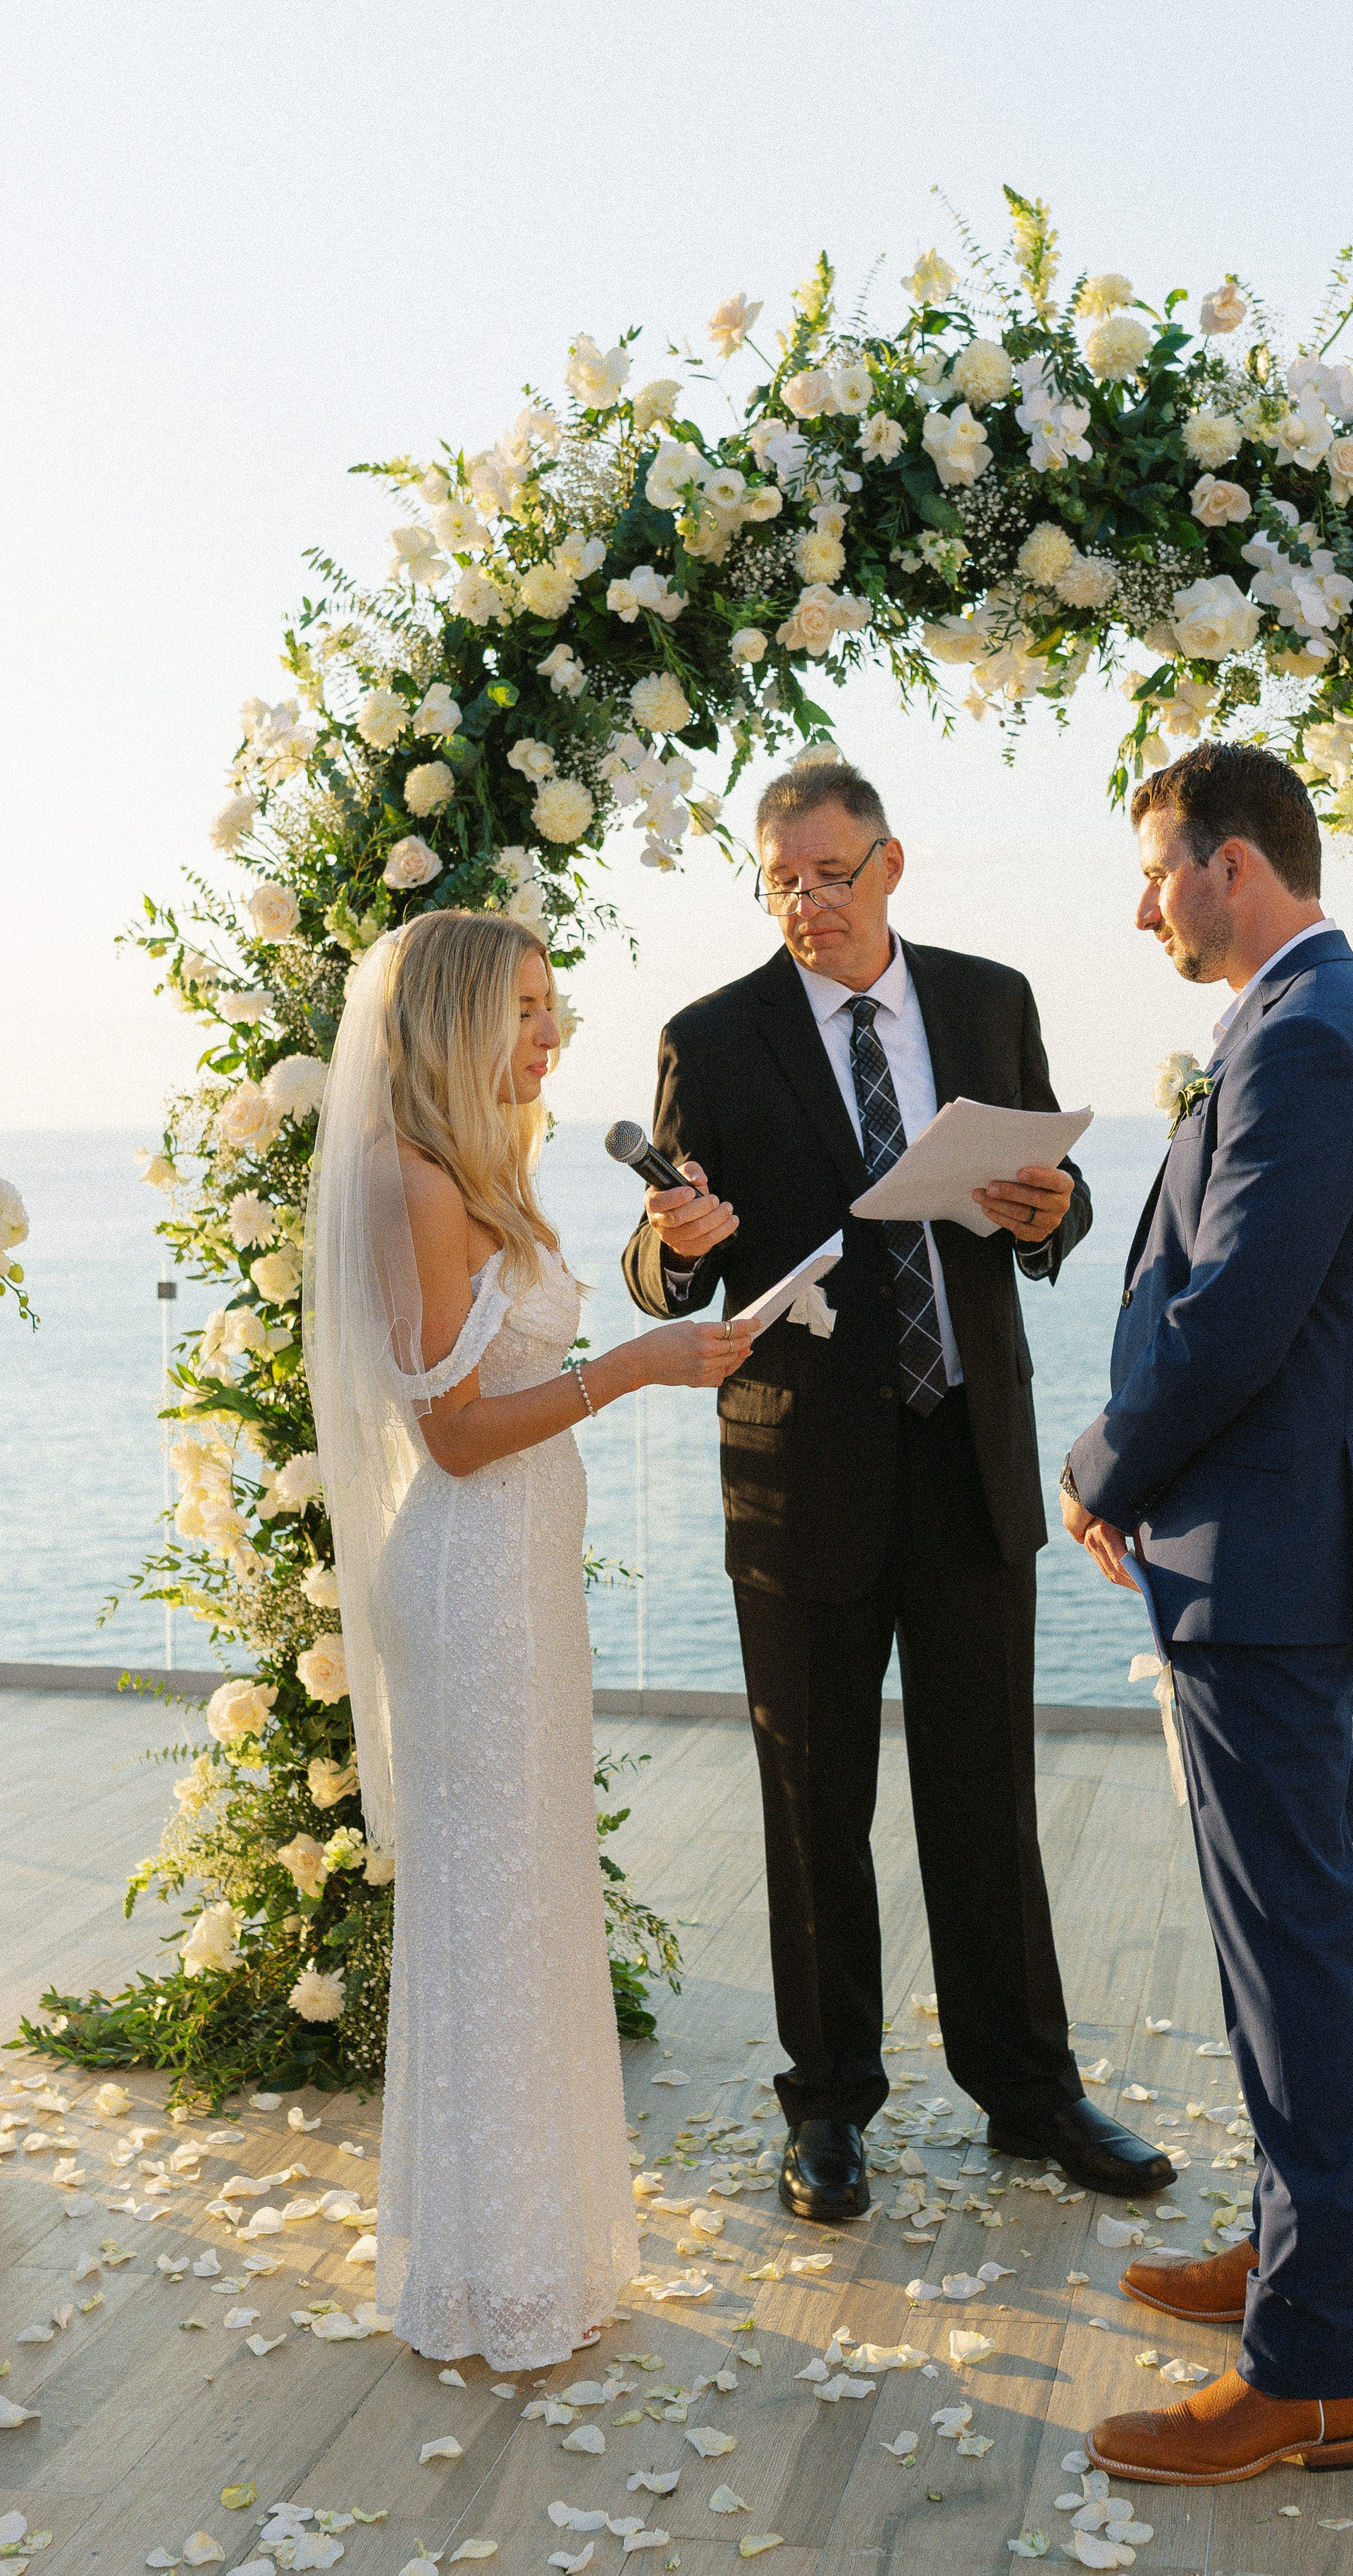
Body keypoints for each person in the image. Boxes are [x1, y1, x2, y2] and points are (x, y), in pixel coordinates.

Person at [620, 757, 1173, 2220]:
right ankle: (827, 2109)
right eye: (781, 882)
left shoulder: (987, 1003)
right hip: (800, 1473)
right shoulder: (712, 1037)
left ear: (891, 866)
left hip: (968, 1456)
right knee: (814, 1803)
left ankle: (1030, 2094)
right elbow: (659, 1257)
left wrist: (1055, 1214)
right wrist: (679, 1246)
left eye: (831, 875)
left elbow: (1048, 1201)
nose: (807, 904)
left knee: (983, 1795)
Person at [304, 908, 748, 2371]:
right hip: (471, 1572)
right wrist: (632, 1368)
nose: (555, 1035)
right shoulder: (411, 1179)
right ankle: (490, 2273)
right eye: (528, 1009)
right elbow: (450, 1435)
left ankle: (540, 2250)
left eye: (555, 1006)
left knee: (534, 1892)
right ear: (449, 1025)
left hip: (523, 1573)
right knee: (487, 1907)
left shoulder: (480, 1168)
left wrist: (673, 1254)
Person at [1062, 743, 1353, 2485]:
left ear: (1232, 865)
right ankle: (1298, 2270)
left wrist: (1096, 1465)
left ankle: (1311, 2372)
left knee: (1289, 1958)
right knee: (1277, 1947)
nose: (1141, 905)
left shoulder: (1302, 1039)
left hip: (1263, 1567)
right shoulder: (1320, 1019)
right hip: (1269, 1559)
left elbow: (1227, 1322)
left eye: (1157, 872)